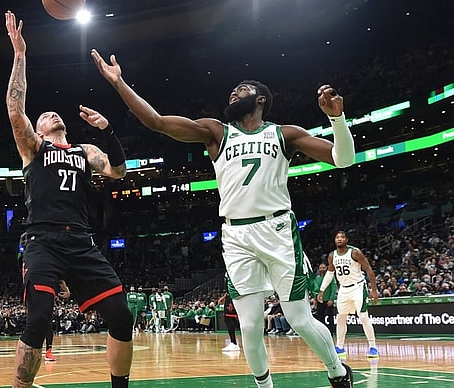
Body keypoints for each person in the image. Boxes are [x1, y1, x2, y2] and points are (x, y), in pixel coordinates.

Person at [91, 49, 355, 388]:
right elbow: (156, 122)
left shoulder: (284, 134)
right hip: (236, 236)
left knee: (299, 320)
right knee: (249, 326)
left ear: (260, 99)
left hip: (276, 229)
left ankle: (337, 371)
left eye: (242, 89)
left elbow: (342, 159)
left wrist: (338, 119)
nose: (233, 93)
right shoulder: (216, 133)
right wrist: (119, 83)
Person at [6, 11, 133, 388]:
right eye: (43, 115)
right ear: (39, 129)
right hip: (42, 239)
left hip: (80, 239)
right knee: (39, 318)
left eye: (52, 113)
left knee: (122, 317)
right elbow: (16, 109)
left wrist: (108, 130)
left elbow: (118, 171)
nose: (49, 114)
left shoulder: (85, 150)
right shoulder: (33, 147)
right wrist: (20, 54)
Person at [318, 231, 380, 359]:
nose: (339, 239)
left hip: (358, 287)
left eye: (342, 237)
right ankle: (340, 347)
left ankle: (373, 347)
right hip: (343, 289)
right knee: (341, 317)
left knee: (363, 317)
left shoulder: (355, 252)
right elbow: (330, 273)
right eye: (337, 237)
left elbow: (368, 269)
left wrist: (374, 289)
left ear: (347, 240)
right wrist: (322, 289)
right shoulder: (332, 255)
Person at [45, 280, 71, 362]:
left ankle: (48, 352)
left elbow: (60, 280)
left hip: (47, 294)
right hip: (34, 291)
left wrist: (66, 289)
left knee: (48, 325)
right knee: (35, 324)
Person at [313, 262, 338, 333]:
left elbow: (334, 288)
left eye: (323, 268)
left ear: (326, 268)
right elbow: (316, 290)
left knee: (330, 316)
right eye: (320, 268)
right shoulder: (317, 278)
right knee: (320, 316)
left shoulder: (330, 277)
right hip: (320, 300)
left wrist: (332, 299)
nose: (322, 269)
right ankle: (322, 331)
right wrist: (315, 299)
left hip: (328, 300)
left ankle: (331, 331)